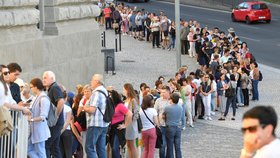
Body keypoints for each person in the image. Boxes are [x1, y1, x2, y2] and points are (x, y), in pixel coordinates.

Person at [83, 74, 109, 158]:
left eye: (92, 80)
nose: (91, 82)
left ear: (97, 82)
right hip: (104, 124)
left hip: (95, 124)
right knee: (101, 148)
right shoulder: (105, 91)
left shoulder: (96, 93)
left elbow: (92, 110)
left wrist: (85, 108)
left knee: (89, 148)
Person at [43, 71, 65, 158]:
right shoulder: (52, 88)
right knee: (54, 147)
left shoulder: (54, 88)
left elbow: (61, 101)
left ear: (52, 79)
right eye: (43, 77)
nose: (43, 80)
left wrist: (56, 115)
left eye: (45, 77)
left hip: (55, 123)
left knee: (46, 145)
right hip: (56, 123)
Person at [28, 78, 51, 158]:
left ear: (36, 87)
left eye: (31, 87)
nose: (30, 89)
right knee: (29, 149)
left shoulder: (43, 98)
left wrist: (31, 119)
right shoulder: (37, 97)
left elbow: (43, 116)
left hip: (39, 130)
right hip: (35, 131)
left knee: (41, 152)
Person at [109, 90, 132, 158]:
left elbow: (129, 114)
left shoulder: (120, 105)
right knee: (113, 147)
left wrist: (125, 125)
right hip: (112, 128)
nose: (109, 97)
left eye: (110, 96)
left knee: (115, 148)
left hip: (118, 128)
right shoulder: (112, 106)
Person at [123, 83, 139, 158]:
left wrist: (132, 120)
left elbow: (136, 113)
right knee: (128, 144)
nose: (123, 91)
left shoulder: (133, 100)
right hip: (126, 124)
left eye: (124, 89)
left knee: (132, 144)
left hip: (131, 124)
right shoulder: (126, 100)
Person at [163, 93, 182, 158]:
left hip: (170, 127)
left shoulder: (167, 108)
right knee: (178, 146)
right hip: (178, 127)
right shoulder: (180, 107)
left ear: (171, 99)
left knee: (170, 145)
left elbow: (163, 116)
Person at [154, 86, 170, 158]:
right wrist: (157, 124)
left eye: (164, 92)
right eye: (161, 92)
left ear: (168, 92)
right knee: (162, 145)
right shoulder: (158, 100)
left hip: (170, 125)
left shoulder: (171, 100)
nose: (162, 94)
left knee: (169, 145)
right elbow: (155, 113)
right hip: (161, 125)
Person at [59, 86, 73, 158]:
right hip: (66, 131)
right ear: (66, 98)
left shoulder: (56, 107)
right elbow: (68, 121)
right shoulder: (68, 108)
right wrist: (62, 130)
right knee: (68, 152)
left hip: (58, 130)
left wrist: (59, 131)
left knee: (59, 152)